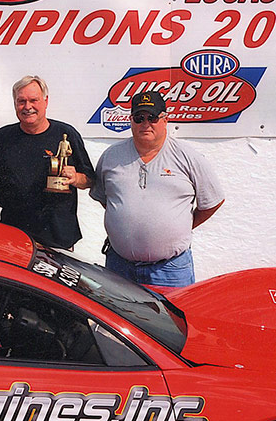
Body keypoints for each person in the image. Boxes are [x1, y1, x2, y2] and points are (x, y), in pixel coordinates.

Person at [90, 89, 224, 287]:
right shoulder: (111, 157)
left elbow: (213, 201)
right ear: (131, 120)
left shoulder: (187, 157)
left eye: (152, 117)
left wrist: (184, 226)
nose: (145, 124)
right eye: (139, 117)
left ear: (165, 120)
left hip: (170, 271)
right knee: (116, 319)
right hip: (119, 267)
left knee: (172, 318)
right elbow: (106, 199)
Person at [0, 75, 94, 249]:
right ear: (15, 104)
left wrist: (75, 178)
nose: (27, 107)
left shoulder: (66, 134)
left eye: (33, 100)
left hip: (58, 240)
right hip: (14, 238)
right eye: (21, 101)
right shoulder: (1, 139)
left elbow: (89, 180)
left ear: (45, 101)